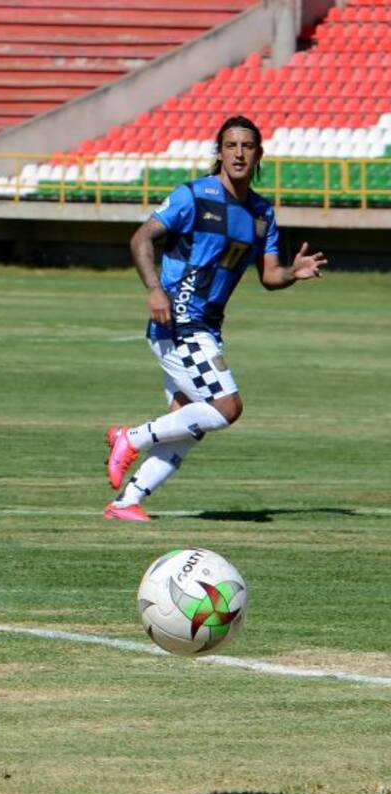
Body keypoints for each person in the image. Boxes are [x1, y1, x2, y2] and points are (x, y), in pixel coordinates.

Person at [103, 115, 327, 522]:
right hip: (178, 323)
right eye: (231, 145)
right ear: (219, 152)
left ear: (259, 154)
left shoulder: (262, 214)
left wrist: (294, 273)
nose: (239, 153)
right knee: (227, 407)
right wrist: (154, 289)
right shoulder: (194, 196)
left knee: (187, 421)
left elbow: (270, 275)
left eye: (247, 146)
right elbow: (141, 238)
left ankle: (125, 503)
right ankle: (129, 438)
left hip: (207, 326)